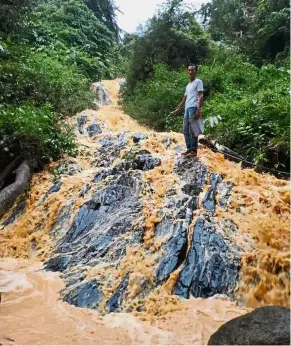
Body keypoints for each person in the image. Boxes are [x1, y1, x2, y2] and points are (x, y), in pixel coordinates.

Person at [170, 64, 204, 157]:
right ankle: (189, 148)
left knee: (193, 130)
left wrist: (198, 109)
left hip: (194, 107)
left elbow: (201, 95)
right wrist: (178, 109)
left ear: (195, 72)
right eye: (189, 70)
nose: (190, 72)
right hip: (187, 108)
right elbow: (184, 99)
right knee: (185, 130)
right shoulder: (188, 85)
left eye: (192, 70)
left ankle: (194, 150)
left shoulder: (198, 82)